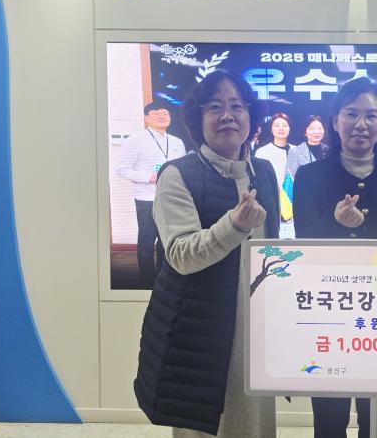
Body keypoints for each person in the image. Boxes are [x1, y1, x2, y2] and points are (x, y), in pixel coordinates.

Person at [134, 70, 279, 438]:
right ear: (197, 119)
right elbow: (180, 254)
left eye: (237, 106)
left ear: (250, 116)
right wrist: (234, 225)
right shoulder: (177, 175)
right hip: (198, 329)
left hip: (255, 326)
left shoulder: (263, 172)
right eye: (214, 107)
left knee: (254, 423)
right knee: (202, 423)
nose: (227, 115)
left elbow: (273, 248)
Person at [293, 77, 377, 438]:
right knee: (329, 419)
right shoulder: (308, 176)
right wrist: (334, 222)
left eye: (371, 115)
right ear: (335, 121)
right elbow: (303, 244)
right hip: (327, 313)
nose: (361, 124)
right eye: (351, 114)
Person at [115, 100, 186, 288]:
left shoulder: (177, 142)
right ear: (146, 118)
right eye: (156, 112)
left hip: (171, 199)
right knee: (147, 241)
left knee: (166, 240)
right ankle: (146, 282)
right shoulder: (135, 140)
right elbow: (121, 169)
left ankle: (164, 279)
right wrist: (149, 177)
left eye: (166, 113)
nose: (162, 115)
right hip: (147, 199)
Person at [254, 112, 294, 190]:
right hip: (272, 194)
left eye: (284, 125)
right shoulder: (262, 152)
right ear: (271, 129)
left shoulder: (297, 150)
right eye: (277, 125)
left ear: (289, 128)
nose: (281, 128)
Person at [286, 115, 328, 179]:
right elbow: (291, 177)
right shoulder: (295, 152)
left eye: (319, 128)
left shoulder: (329, 150)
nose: (316, 132)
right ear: (305, 132)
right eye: (312, 128)